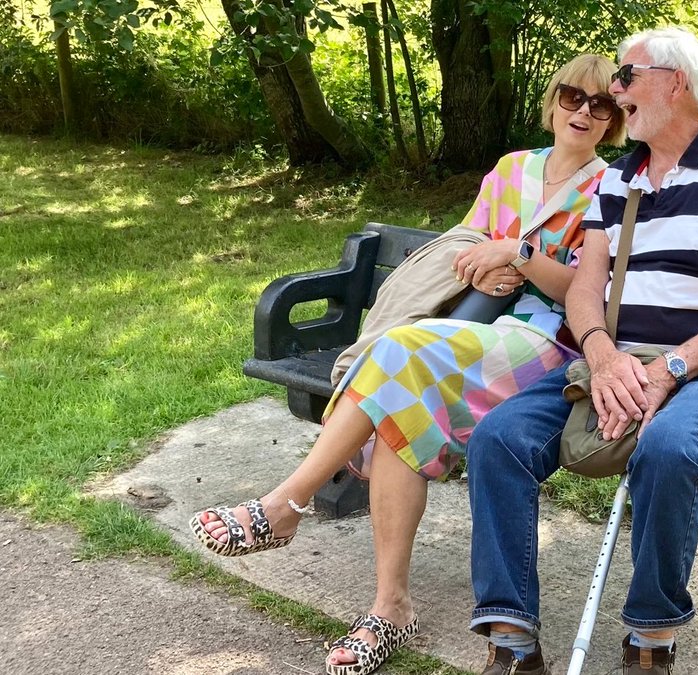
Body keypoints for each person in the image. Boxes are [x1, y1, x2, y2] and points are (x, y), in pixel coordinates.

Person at [189, 54, 626, 675]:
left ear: (612, 121)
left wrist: (522, 257)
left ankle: (287, 504)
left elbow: (588, 292)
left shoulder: (609, 186)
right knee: (401, 395)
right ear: (554, 100)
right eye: (573, 98)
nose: (584, 112)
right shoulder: (511, 170)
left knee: (397, 356)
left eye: (601, 106)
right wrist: (490, 261)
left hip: (542, 343)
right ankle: (390, 606)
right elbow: (463, 250)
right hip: (468, 325)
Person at [465, 27, 698, 675]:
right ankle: (511, 636)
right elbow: (586, 292)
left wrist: (668, 369)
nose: (613, 93)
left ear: (674, 82)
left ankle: (651, 637)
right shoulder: (617, 182)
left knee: (669, 449)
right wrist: (604, 358)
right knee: (497, 437)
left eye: (624, 77)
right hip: (612, 363)